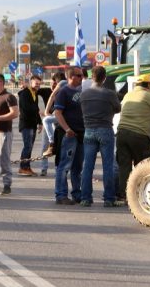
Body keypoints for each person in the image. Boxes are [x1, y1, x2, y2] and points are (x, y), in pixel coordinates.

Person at [116, 74, 150, 202]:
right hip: (138, 135)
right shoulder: (149, 96)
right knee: (141, 166)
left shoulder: (128, 95)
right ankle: (138, 194)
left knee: (124, 166)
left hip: (122, 132)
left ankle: (124, 195)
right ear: (148, 86)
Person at [79, 66, 122, 207]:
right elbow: (118, 108)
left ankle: (85, 198)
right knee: (108, 166)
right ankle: (109, 199)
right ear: (104, 78)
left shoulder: (84, 94)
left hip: (89, 131)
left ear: (92, 77)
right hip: (105, 130)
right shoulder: (109, 94)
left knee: (87, 166)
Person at [53, 67, 85, 205]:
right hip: (69, 135)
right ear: (71, 77)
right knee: (64, 166)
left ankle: (77, 194)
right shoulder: (63, 92)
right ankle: (61, 195)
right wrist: (67, 129)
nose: (82, 78)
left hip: (81, 133)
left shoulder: (82, 92)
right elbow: (58, 113)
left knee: (77, 167)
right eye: (79, 75)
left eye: (82, 75)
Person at [39, 72, 65, 176]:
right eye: (51, 84)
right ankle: (44, 168)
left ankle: (59, 168)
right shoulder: (46, 91)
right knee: (45, 146)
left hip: (59, 121)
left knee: (61, 146)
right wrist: (45, 112)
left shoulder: (64, 90)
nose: (53, 86)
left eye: (55, 84)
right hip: (50, 121)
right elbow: (33, 92)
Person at [17, 75, 43, 176]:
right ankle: (23, 167)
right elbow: (27, 109)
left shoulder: (34, 93)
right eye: (36, 84)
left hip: (33, 124)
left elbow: (35, 109)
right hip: (26, 124)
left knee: (30, 147)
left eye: (39, 84)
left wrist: (40, 122)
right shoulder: (24, 93)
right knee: (27, 146)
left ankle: (27, 167)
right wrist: (38, 111)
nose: (38, 86)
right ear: (31, 82)